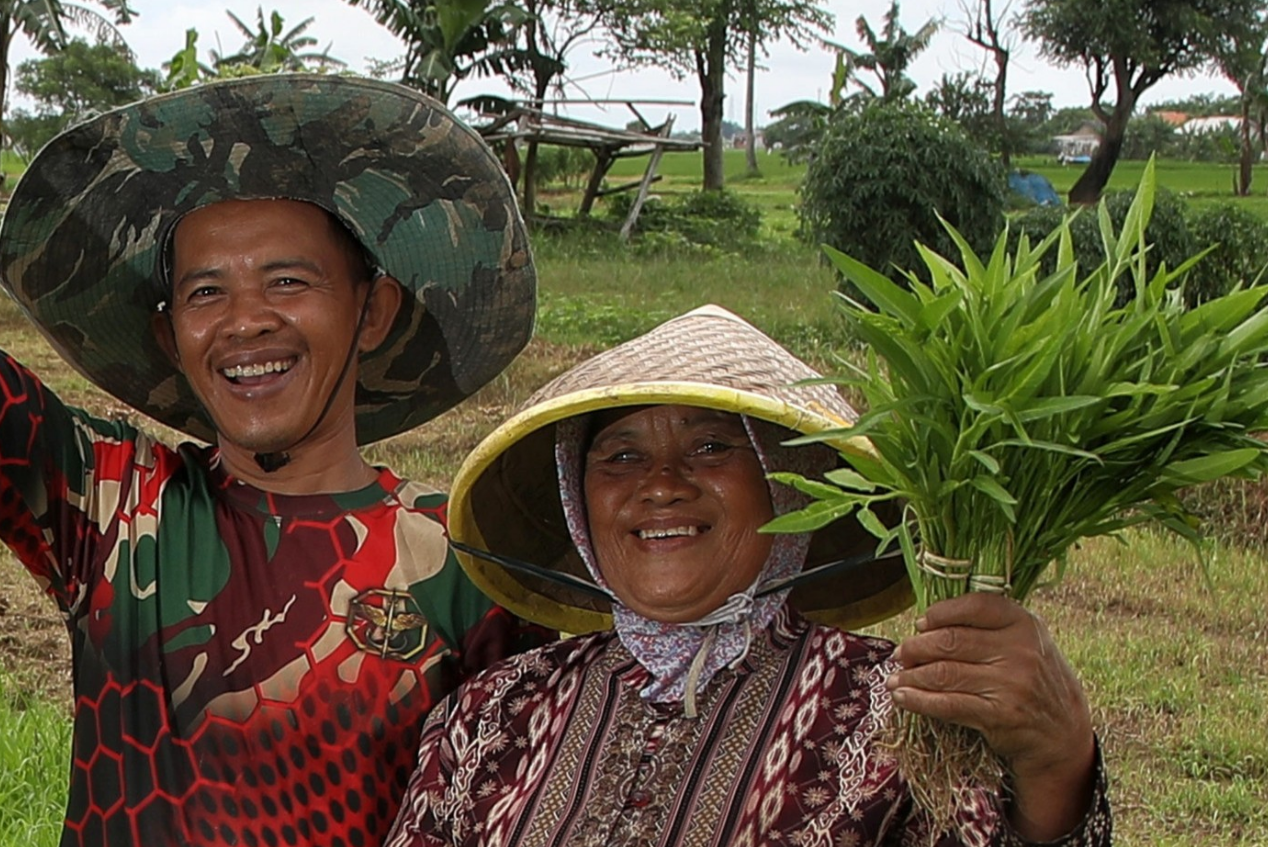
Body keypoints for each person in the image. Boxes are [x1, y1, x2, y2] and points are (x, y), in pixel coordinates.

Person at [0, 74, 545, 847]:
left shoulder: (463, 568)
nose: (246, 321)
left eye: (288, 281)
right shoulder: (115, 503)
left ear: (372, 312)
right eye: (205, 293)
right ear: (169, 337)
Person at [384, 305, 1112, 847]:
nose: (661, 485)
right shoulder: (494, 711)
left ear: (788, 485)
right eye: (622, 456)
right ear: (579, 500)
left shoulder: (900, 712)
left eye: (710, 447)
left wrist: (1059, 759)